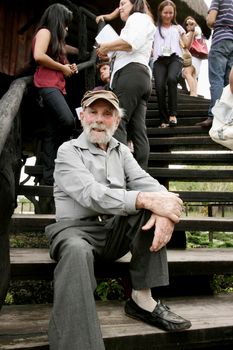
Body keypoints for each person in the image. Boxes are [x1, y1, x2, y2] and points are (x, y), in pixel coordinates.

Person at [45, 89, 192, 350]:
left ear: (117, 120)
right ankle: (76, 344)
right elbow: (91, 194)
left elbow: (146, 183)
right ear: (82, 117)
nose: (99, 119)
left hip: (110, 232)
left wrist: (167, 205)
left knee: (152, 208)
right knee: (78, 250)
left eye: (107, 113)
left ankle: (141, 300)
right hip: (73, 232)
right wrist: (147, 200)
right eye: (93, 112)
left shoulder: (121, 151)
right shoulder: (68, 151)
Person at [96, 0, 156, 170]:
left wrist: (107, 45)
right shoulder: (143, 21)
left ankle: (120, 173)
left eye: (123, 3)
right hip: (140, 77)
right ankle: (140, 174)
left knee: (118, 122)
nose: (120, 7)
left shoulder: (137, 17)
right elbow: (128, 47)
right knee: (138, 131)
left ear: (135, 3)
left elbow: (130, 43)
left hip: (131, 75)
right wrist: (110, 53)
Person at [32, 3, 78, 185]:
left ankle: (49, 176)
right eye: (65, 24)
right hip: (46, 85)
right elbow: (38, 55)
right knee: (68, 121)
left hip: (55, 86)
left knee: (51, 132)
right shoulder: (45, 32)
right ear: (58, 20)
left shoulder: (56, 40)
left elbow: (60, 60)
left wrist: (69, 67)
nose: (66, 28)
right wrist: (62, 68)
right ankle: (64, 159)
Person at [151, 0, 195, 128]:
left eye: (171, 13)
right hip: (159, 60)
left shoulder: (178, 28)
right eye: (165, 12)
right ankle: (163, 119)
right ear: (160, 13)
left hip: (175, 59)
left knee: (171, 79)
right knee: (159, 87)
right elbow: (149, 45)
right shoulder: (154, 29)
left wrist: (191, 31)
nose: (168, 15)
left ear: (174, 13)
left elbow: (186, 45)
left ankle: (173, 114)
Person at [196, 0, 233, 128]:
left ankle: (214, 117)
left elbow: (211, 20)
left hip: (220, 41)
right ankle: (227, 117)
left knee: (216, 80)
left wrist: (218, 23)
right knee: (228, 83)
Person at [182, 16, 205, 97]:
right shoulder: (197, 30)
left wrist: (181, 35)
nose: (189, 25)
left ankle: (193, 93)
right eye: (187, 24)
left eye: (190, 23)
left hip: (193, 56)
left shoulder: (196, 29)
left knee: (186, 72)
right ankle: (194, 93)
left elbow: (185, 40)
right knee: (193, 75)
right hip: (197, 57)